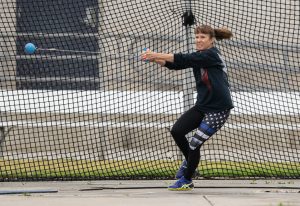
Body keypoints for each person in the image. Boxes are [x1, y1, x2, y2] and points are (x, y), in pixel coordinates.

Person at [141, 25, 234, 191]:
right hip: (202, 106)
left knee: (194, 144)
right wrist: (155, 59)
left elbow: (182, 58)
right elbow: (177, 65)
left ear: (212, 40)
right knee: (177, 131)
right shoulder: (200, 55)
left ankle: (187, 179)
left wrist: (155, 53)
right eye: (197, 37)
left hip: (219, 109)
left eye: (202, 37)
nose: (198, 40)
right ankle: (190, 163)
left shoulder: (211, 55)